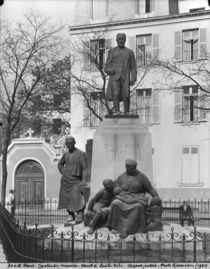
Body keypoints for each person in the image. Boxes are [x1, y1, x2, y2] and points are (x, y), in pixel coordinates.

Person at [107, 159, 160, 238]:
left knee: (138, 207)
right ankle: (115, 227)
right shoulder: (122, 176)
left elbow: (150, 189)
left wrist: (156, 197)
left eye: (130, 168)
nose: (127, 169)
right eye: (126, 167)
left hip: (137, 199)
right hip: (123, 198)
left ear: (134, 167)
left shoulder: (142, 177)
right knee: (115, 203)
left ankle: (127, 229)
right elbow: (113, 186)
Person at [58, 136, 88, 224]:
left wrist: (84, 181)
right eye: (67, 143)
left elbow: (85, 168)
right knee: (66, 197)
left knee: (77, 196)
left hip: (76, 179)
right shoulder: (66, 154)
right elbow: (60, 164)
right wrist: (63, 171)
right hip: (66, 179)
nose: (68, 145)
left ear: (74, 143)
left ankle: (80, 213)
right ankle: (70, 214)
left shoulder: (81, 153)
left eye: (70, 143)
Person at [105, 33, 137, 115]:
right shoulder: (112, 51)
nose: (121, 40)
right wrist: (111, 70)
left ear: (125, 40)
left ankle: (127, 111)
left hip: (125, 76)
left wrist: (133, 78)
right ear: (116, 40)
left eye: (123, 39)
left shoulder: (130, 52)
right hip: (115, 76)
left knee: (126, 95)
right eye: (119, 39)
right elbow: (106, 67)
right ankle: (117, 111)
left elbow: (133, 67)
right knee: (116, 93)